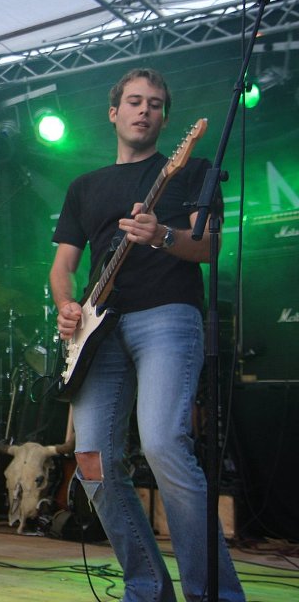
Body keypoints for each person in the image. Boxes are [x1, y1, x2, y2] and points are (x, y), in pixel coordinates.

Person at [49, 68, 244, 601]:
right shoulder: (84, 186)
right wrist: (66, 306)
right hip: (97, 329)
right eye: (134, 101)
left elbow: (209, 246)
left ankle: (213, 594)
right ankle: (146, 588)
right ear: (114, 112)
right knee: (92, 460)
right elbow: (63, 266)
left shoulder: (190, 169)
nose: (144, 110)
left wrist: (161, 236)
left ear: (165, 118)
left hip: (167, 316)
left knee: (162, 444)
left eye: (155, 104)